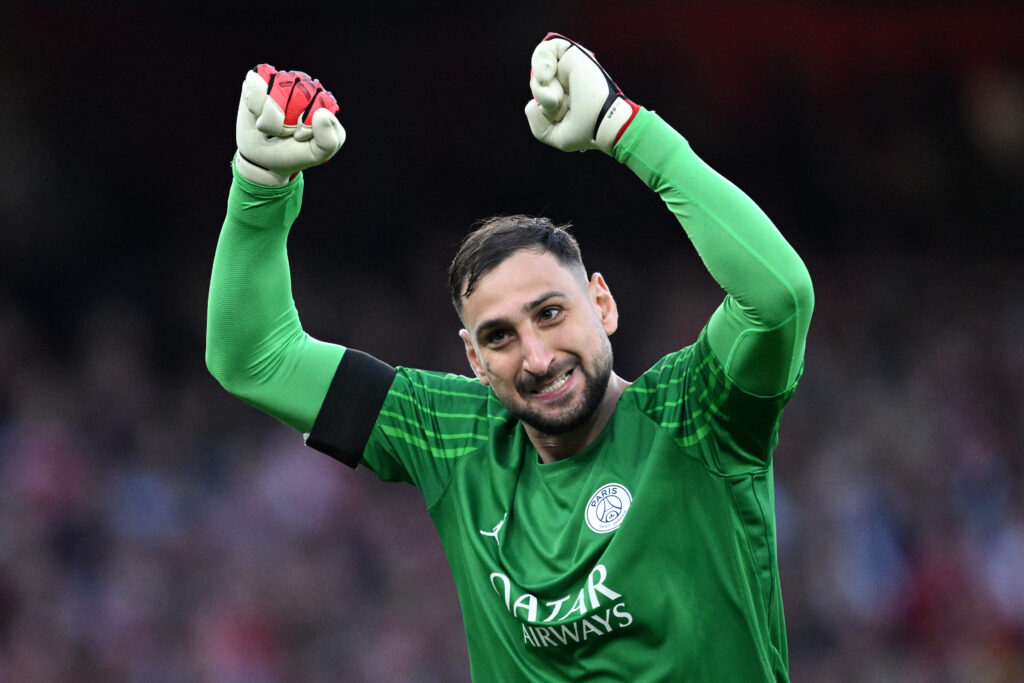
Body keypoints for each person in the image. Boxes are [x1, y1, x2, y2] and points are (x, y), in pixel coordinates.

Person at [207, 33, 813, 682]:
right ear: (472, 356)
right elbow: (254, 356)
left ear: (602, 303)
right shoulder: (456, 438)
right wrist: (259, 185)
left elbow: (778, 298)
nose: (537, 357)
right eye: (499, 336)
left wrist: (625, 128)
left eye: (550, 313)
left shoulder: (696, 416)